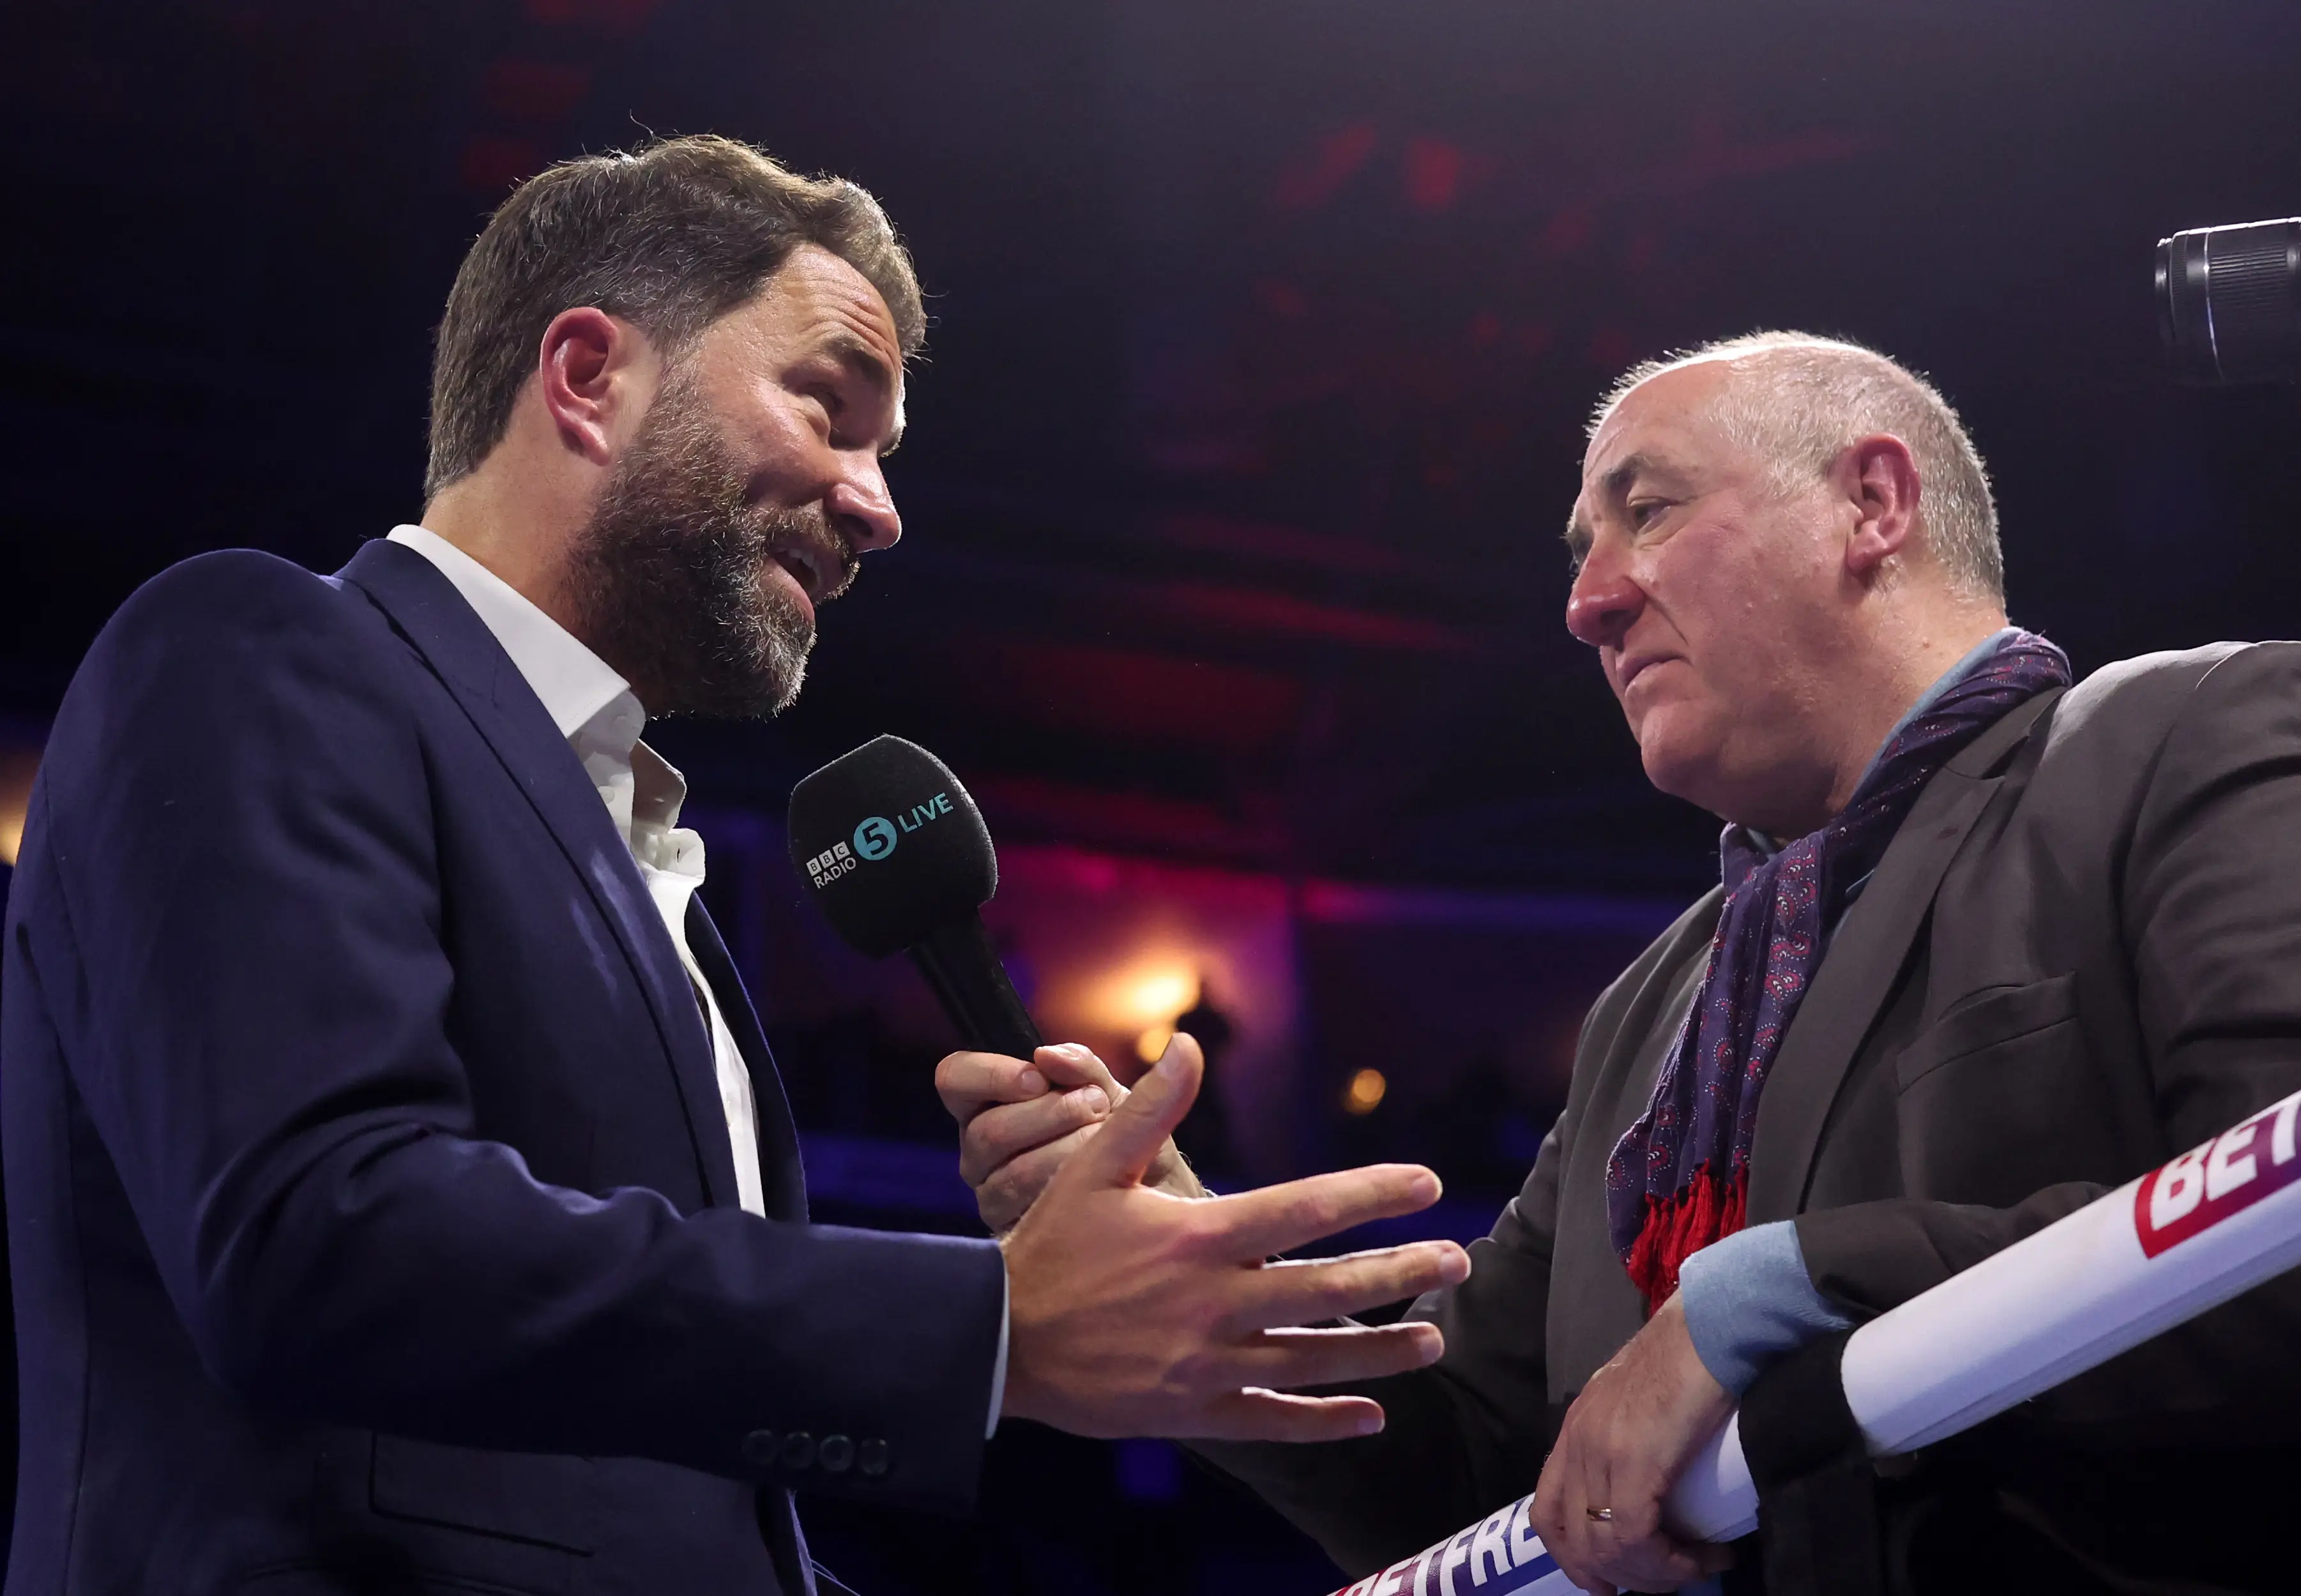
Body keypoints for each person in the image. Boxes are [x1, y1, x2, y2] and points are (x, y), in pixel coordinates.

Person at [0, 135, 1474, 1596]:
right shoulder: (260, 651)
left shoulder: (650, 879)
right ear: (589, 376)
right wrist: (992, 1325)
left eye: (884, 454)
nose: (879, 507)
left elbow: (664, 1515)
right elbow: (317, 1240)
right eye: (830, 410)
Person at [938, 332, 2301, 1595]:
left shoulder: (2190, 738)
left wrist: (1773, 1295)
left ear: (1871, 505)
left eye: (1646, 510)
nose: (1588, 603)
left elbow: (2279, 1227)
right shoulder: (1654, 1008)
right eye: (1583, 549)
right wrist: (1200, 1282)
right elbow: (1477, 1475)